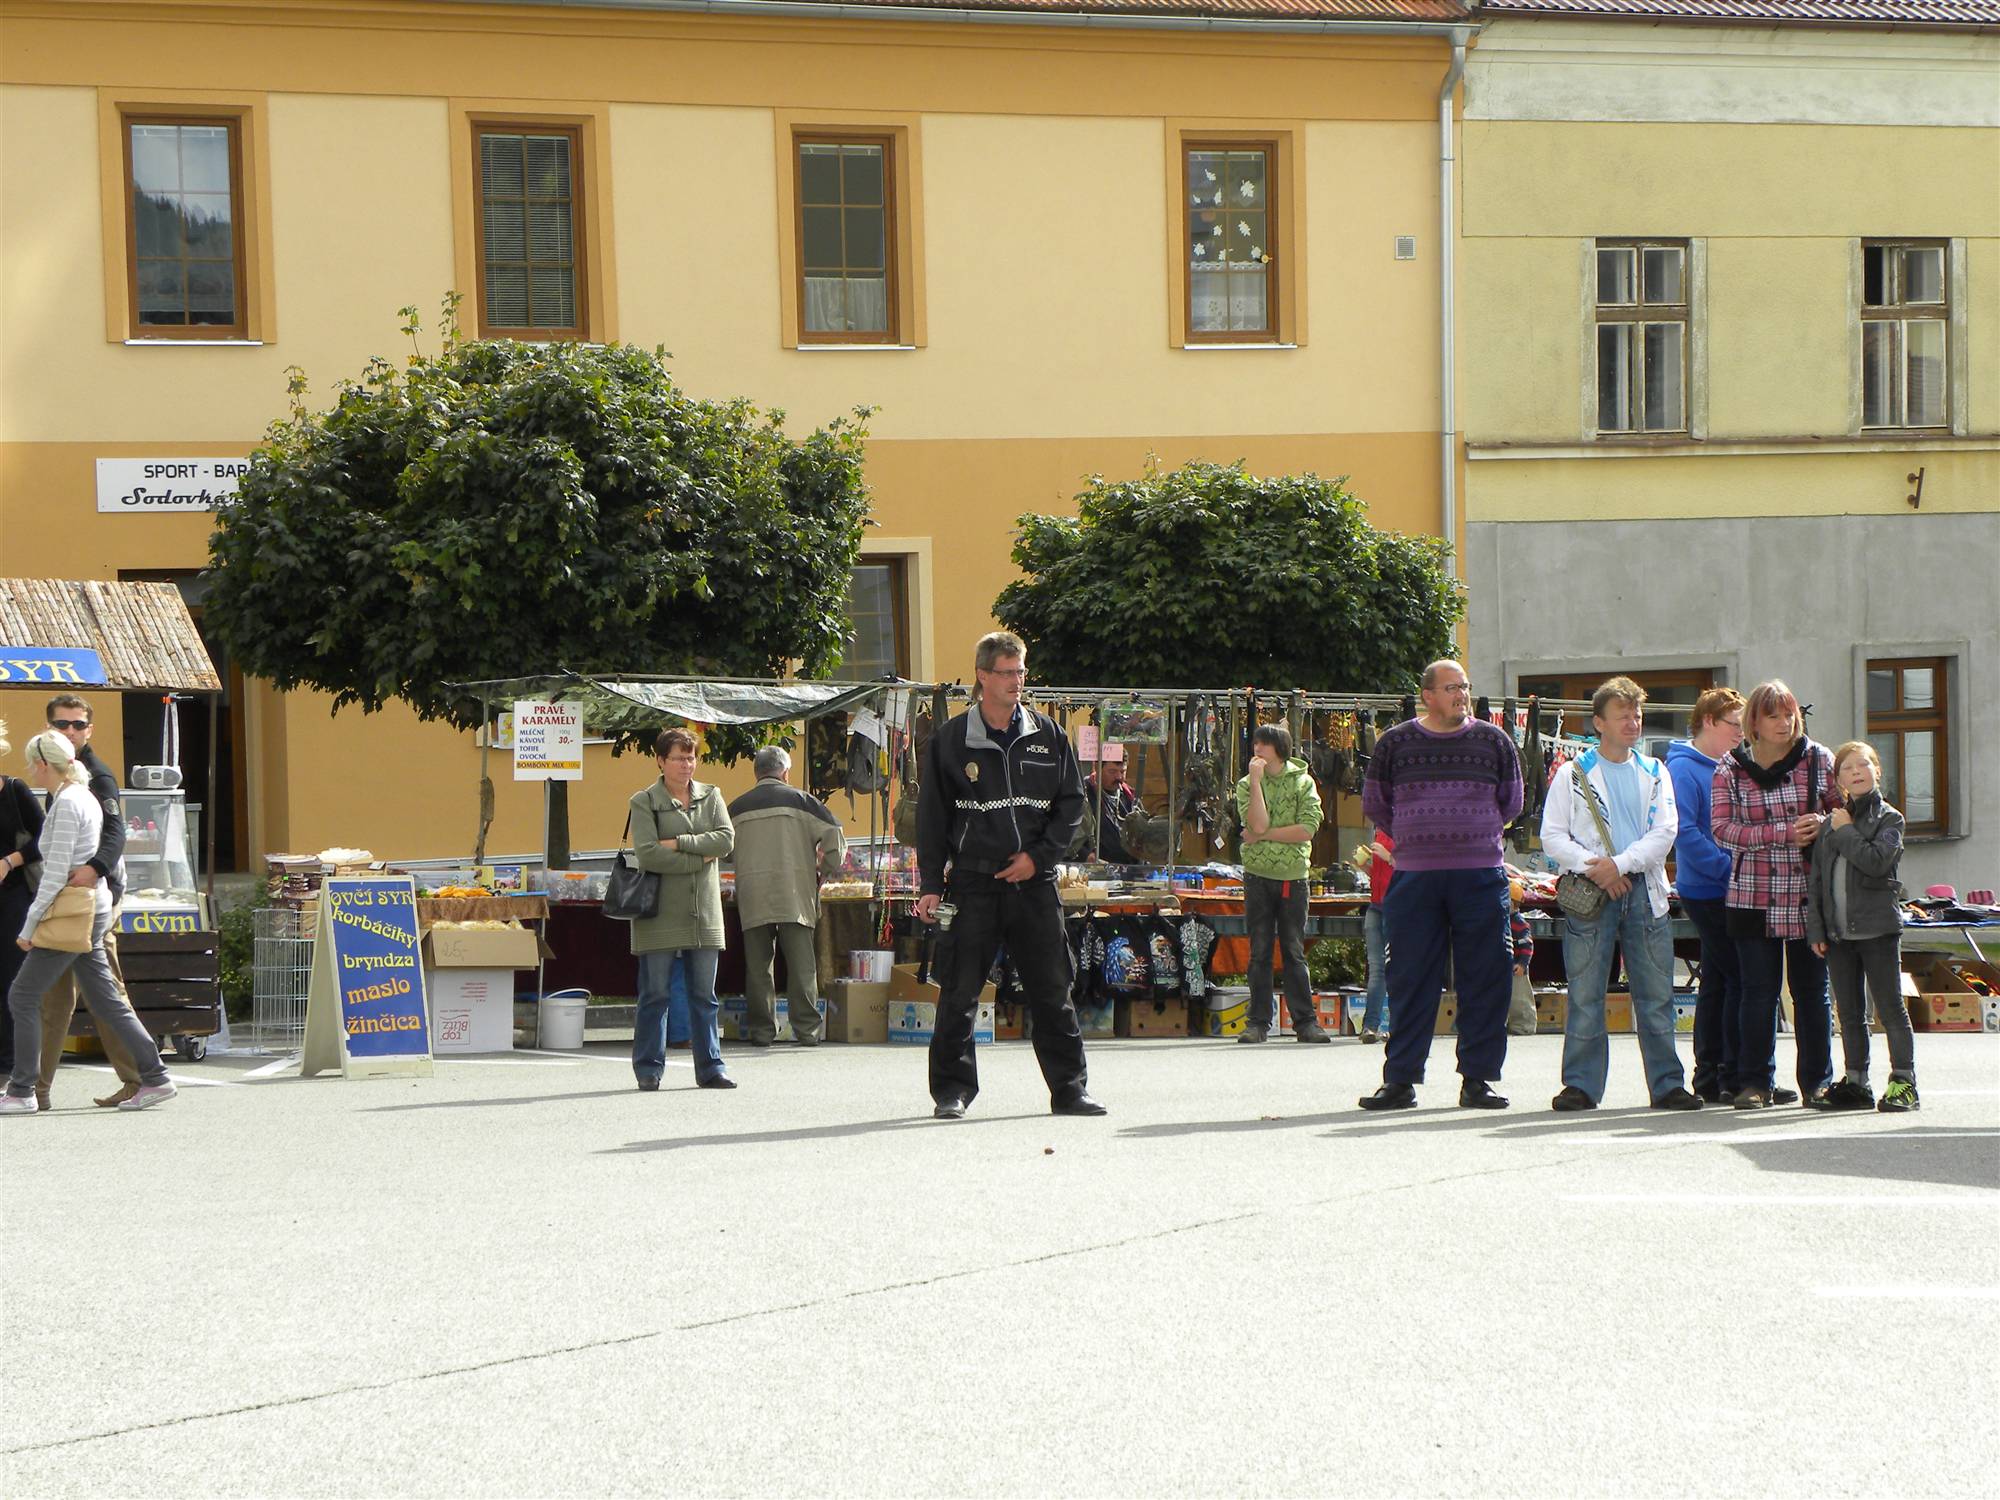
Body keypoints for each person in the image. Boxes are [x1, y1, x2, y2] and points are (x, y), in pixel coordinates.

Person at [914, 630, 1102, 1119]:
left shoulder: (1048, 734)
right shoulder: (950, 741)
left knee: (1053, 991)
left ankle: (1070, 1090)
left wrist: (1039, 858)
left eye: (1021, 671)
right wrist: (931, 884)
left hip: (1034, 885)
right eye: (1007, 672)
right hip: (972, 884)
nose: (1017, 681)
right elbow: (931, 819)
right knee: (959, 993)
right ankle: (952, 1092)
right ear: (982, 676)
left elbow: (1071, 805)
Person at [1358, 660, 1523, 1111]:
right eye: (1451, 688)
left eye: (1464, 686)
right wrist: (1416, 838)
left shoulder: (1494, 741)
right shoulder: (1395, 743)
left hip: (1480, 876)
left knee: (1486, 977)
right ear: (1427, 695)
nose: (1461, 694)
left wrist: (1469, 833)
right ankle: (1400, 1080)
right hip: (1415, 877)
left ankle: (1478, 1080)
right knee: (1410, 977)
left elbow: (1512, 802)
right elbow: (1376, 803)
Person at [1541, 677, 1699, 1112]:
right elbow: (1553, 836)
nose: (1633, 723)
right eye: (1623, 716)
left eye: (1637, 715)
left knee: (1656, 993)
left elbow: (1666, 831)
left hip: (1645, 890)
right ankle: (1581, 1085)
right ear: (1599, 723)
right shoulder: (1572, 774)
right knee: (1585, 992)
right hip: (1592, 891)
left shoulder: (1655, 771)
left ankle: (1667, 1085)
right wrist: (1599, 868)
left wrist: (1621, 864)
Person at [3, 732, 175, 1113]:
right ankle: (156, 1076)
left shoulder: (67, 803)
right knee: (106, 1000)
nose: (29, 770)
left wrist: (29, 927)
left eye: (32, 763)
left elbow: (54, 873)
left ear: (44, 765)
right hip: (90, 911)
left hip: (73, 914)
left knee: (23, 995)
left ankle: (22, 1089)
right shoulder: (81, 796)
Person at [1712, 680, 1837, 1110]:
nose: (1784, 723)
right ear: (1755, 723)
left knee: (1812, 993)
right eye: (1774, 716)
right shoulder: (1730, 767)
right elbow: (1721, 830)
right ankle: (1754, 1083)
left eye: (1789, 714)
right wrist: (1782, 833)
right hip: (1752, 894)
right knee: (1758, 993)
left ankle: (1818, 1083)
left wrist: (1824, 822)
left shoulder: (1819, 758)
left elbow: (1846, 811)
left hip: (1808, 896)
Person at [37, 694, 144, 1108]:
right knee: (54, 996)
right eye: (62, 724)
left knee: (105, 994)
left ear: (89, 730)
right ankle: (35, 1089)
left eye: (78, 725)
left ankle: (140, 1079)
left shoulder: (97, 776)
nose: (70, 731)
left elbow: (116, 834)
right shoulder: (58, 776)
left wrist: (95, 868)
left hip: (96, 900)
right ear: (49, 728)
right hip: (68, 900)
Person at [1806, 741, 1918, 1112]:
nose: (1856, 772)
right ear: (1838, 780)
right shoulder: (1832, 823)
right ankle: (1856, 1082)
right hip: (1839, 934)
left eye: (1863, 765)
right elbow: (1818, 880)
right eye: (1847, 768)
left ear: (1877, 771)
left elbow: (1876, 862)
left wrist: (1847, 830)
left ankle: (1904, 1081)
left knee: (1890, 1009)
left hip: (1878, 931)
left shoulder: (1889, 819)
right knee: (1850, 1013)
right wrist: (1817, 929)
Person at [628, 727, 736, 1092]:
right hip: (658, 911)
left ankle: (711, 1068)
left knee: (705, 997)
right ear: (660, 761)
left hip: (703, 911)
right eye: (678, 758)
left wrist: (679, 843)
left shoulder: (711, 795)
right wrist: (698, 859)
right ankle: (648, 1068)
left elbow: (725, 840)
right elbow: (648, 854)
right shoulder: (644, 801)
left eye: (691, 758)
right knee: (655, 994)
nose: (686, 765)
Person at [728, 745, 845, 1047]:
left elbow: (724, 847)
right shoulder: (805, 802)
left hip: (753, 894)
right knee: (802, 965)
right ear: (785, 772)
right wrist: (824, 869)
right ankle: (807, 1031)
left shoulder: (736, 808)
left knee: (758, 968)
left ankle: (762, 1031)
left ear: (756, 772)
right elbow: (835, 839)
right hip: (795, 893)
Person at [1666, 687, 1746, 1103]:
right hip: (1707, 889)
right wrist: (1729, 868)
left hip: (1730, 887)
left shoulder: (1731, 764)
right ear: (1710, 721)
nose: (1741, 733)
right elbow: (1684, 831)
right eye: (1735, 725)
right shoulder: (1683, 768)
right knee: (1737, 977)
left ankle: (1711, 1074)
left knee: (1717, 979)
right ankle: (1732, 1072)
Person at [1233, 724, 1331, 1044]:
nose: (1257, 749)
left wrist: (1264, 836)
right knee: (1259, 951)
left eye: (1264, 743)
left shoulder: (1304, 782)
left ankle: (1306, 1022)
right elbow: (1257, 822)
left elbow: (1307, 829)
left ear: (1280, 748)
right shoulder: (1246, 784)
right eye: (1256, 743)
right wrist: (1256, 782)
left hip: (1293, 876)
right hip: (1257, 876)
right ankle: (1258, 1022)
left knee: (1293, 950)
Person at [1, 720, 46, 1091]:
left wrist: (9, 861)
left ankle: (11, 1063)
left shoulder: (15, 790)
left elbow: (45, 838)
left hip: (14, 896)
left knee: (10, 978)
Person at [1356, 831, 1394, 1043]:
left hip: (1396, 906)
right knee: (1376, 968)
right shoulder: (1379, 829)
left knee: (1396, 967)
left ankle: (1398, 1026)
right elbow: (1380, 875)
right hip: (1375, 905)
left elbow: (1414, 867)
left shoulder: (1404, 826)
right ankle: (1370, 1027)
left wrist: (1389, 856)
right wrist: (1364, 867)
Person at [1084, 746, 1137, 864]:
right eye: (1112, 772)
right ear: (1097, 768)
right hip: (1098, 867)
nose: (1119, 777)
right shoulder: (1084, 794)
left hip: (1129, 867)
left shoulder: (1129, 796)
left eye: (1122, 771)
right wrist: (1086, 855)